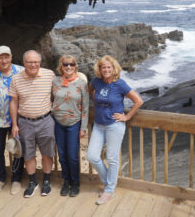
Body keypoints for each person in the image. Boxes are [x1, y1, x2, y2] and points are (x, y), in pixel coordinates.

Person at [87, 55, 143, 205]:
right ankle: (108, 183)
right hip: (98, 125)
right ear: (99, 69)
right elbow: (90, 89)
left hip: (114, 125)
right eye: (103, 67)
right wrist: (96, 102)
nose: (106, 69)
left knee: (112, 158)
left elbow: (138, 101)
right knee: (92, 156)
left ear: (114, 68)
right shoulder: (96, 81)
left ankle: (109, 190)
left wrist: (127, 116)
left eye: (108, 67)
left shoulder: (120, 84)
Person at [9, 50, 55, 198]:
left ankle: (46, 181)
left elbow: (63, 88)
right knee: (28, 154)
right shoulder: (16, 79)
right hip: (24, 122)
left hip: (46, 120)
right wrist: (14, 124)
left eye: (35, 61)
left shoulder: (50, 75)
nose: (33, 64)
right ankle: (33, 182)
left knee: (47, 153)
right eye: (29, 62)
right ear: (24, 63)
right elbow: (13, 102)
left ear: (40, 62)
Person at [0, 46, 24, 194]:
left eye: (6, 56)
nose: (4, 60)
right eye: (0, 57)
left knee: (18, 150)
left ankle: (16, 180)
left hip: (18, 120)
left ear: (11, 57)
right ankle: (0, 179)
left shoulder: (20, 72)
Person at [52, 55, 89, 197]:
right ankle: (66, 181)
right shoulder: (55, 81)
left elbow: (85, 107)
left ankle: (75, 183)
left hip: (74, 124)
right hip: (58, 123)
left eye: (71, 64)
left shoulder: (81, 83)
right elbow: (52, 99)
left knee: (72, 156)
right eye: (65, 64)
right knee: (62, 155)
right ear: (61, 66)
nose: (68, 67)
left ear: (75, 66)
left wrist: (83, 128)